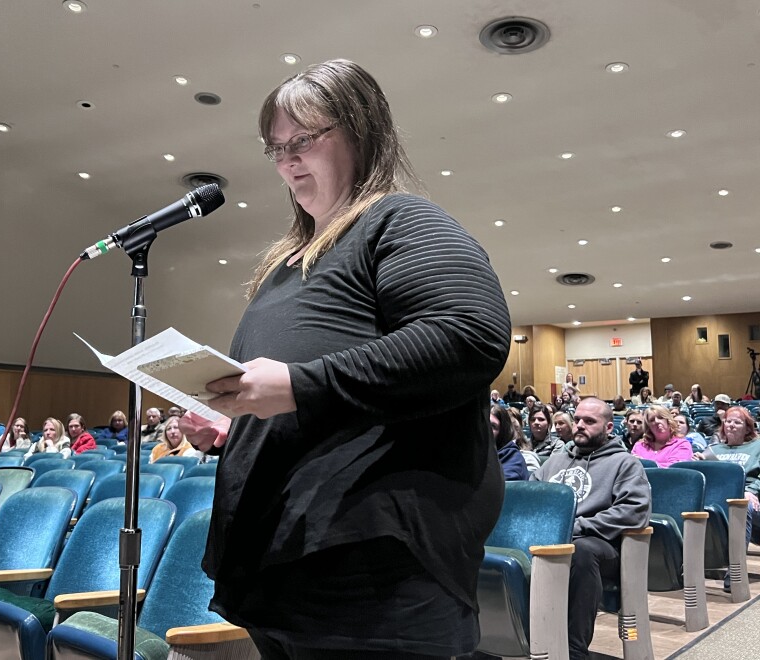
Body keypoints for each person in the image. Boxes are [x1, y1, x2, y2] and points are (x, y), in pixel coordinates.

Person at [179, 60, 511, 658]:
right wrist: (230, 427)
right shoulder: (285, 263)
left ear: (361, 130)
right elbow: (298, 401)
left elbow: (470, 333)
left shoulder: (399, 220)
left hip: (372, 570)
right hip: (280, 563)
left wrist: (301, 384)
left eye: (303, 140)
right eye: (276, 147)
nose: (287, 160)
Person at [532, 397, 651, 660]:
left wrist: (578, 526)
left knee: (581, 552)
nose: (579, 426)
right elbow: (533, 494)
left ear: (609, 427)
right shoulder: (556, 460)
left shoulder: (625, 463)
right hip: (553, 540)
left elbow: (634, 510)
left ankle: (574, 650)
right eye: (577, 420)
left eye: (589, 421)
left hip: (602, 546)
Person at [696, 406, 760, 546]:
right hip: (718, 496)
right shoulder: (712, 449)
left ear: (748, 429)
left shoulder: (757, 446)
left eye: (737, 422)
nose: (731, 425)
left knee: (741, 503)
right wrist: (698, 463)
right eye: (728, 421)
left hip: (750, 499)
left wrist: (751, 491)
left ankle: (736, 566)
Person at [491, 404, 528, 481]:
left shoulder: (512, 456)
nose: (486, 430)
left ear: (502, 432)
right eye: (483, 425)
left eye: (493, 426)